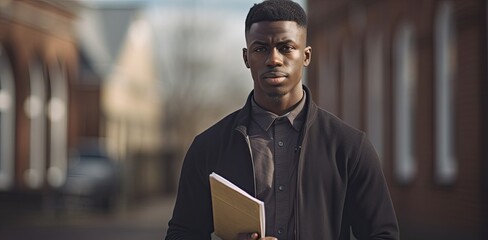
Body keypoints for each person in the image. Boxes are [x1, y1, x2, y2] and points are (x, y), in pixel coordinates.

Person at [165, 0, 399, 239]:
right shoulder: (209, 148)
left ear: (306, 56)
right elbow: (182, 233)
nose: (274, 59)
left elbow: (383, 235)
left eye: (286, 47)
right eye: (260, 49)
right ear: (246, 58)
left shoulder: (350, 148)